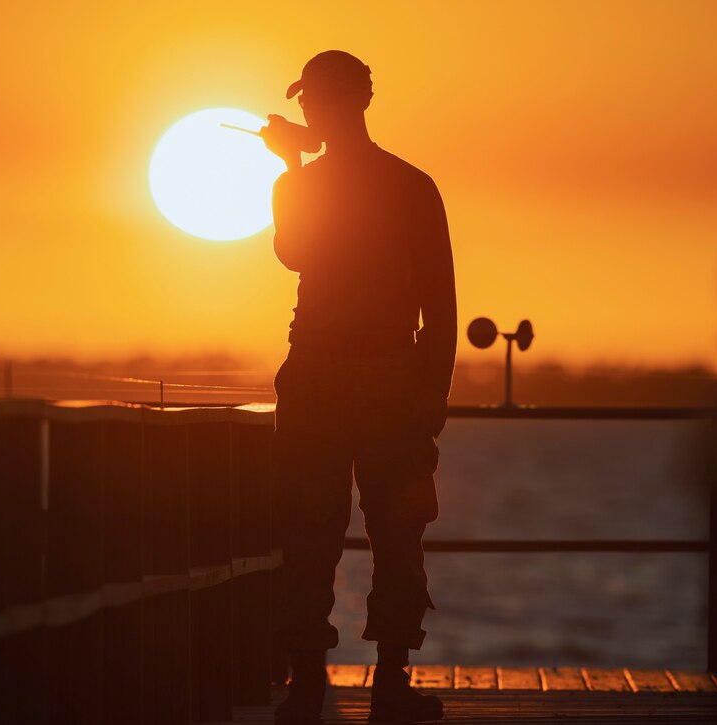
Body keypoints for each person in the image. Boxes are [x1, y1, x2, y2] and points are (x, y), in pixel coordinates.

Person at [261, 50, 457, 725]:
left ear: (334, 105)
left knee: (313, 526)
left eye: (318, 101)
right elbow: (443, 307)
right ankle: (389, 685)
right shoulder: (411, 185)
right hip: (383, 378)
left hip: (327, 375)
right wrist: (432, 391)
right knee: (394, 529)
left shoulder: (309, 183)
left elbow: (293, 251)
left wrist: (292, 168)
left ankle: (309, 685)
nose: (314, 112)